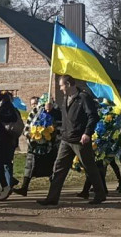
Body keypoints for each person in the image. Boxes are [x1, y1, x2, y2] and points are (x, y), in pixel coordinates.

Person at [38, 75, 104, 206]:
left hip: (80, 140)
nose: (60, 88)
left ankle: (100, 194)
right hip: (66, 139)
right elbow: (64, 117)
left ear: (68, 84)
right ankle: (52, 197)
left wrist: (87, 133)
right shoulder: (65, 98)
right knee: (59, 168)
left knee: (89, 167)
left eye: (61, 85)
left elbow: (93, 116)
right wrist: (51, 111)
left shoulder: (83, 98)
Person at [15, 99, 60, 197]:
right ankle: (24, 188)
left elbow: (58, 127)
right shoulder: (33, 113)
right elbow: (27, 127)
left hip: (49, 146)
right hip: (34, 145)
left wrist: (49, 135)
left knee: (51, 168)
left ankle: (53, 191)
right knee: (30, 166)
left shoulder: (56, 112)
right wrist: (31, 135)